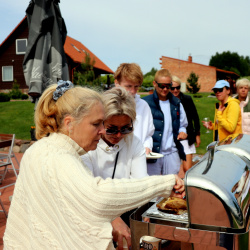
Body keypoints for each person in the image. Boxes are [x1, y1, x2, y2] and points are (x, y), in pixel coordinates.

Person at [4, 80, 185, 250]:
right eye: (97, 124)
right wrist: (164, 184)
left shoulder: (45, 148)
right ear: (69, 123)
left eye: (126, 128)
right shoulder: (60, 156)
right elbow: (97, 197)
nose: (102, 131)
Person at [81, 87, 148, 246]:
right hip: (91, 215)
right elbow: (87, 191)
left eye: (126, 128)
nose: (119, 135)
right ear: (100, 121)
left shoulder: (134, 142)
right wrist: (112, 218)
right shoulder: (86, 144)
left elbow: (139, 185)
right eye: (111, 129)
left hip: (125, 210)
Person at [143, 69, 188, 176]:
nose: (165, 89)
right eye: (162, 85)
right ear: (154, 84)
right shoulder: (145, 103)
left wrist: (182, 131)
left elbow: (183, 125)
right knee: (153, 187)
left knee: (171, 186)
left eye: (168, 86)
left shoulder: (177, 103)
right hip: (153, 154)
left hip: (172, 153)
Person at [114, 63, 155, 155]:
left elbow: (148, 134)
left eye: (136, 86)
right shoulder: (107, 105)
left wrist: (147, 146)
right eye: (128, 86)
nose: (133, 91)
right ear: (117, 83)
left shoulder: (144, 106)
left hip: (138, 158)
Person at [171, 75, 201, 173]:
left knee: (187, 168)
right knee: (173, 169)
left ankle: (188, 186)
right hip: (172, 138)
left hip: (187, 136)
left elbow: (195, 117)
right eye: (172, 88)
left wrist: (197, 134)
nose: (175, 90)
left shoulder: (187, 99)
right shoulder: (166, 101)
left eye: (178, 87)